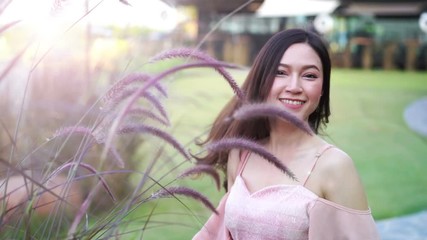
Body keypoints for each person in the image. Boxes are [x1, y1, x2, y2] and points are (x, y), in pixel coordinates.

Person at [193, 28, 379, 240]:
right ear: (261, 79)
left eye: (309, 76)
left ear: (322, 88)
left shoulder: (335, 167)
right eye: (280, 72)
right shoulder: (241, 154)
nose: (294, 87)